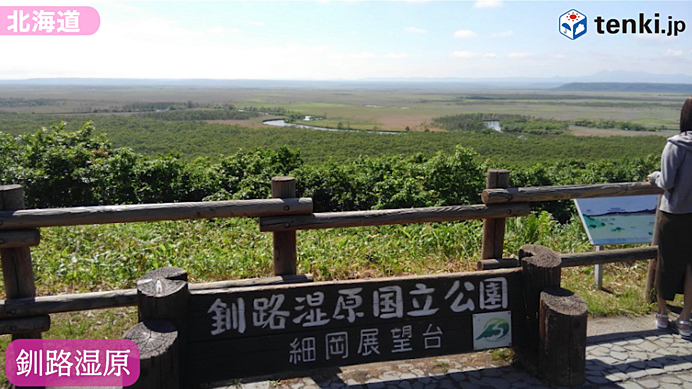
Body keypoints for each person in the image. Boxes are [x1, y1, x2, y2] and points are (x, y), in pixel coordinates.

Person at [647, 96, 692, 337]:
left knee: (665, 261)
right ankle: (686, 319)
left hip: (674, 213)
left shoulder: (675, 145)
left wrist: (654, 177)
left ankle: (662, 313)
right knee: (691, 266)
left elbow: (666, 182)